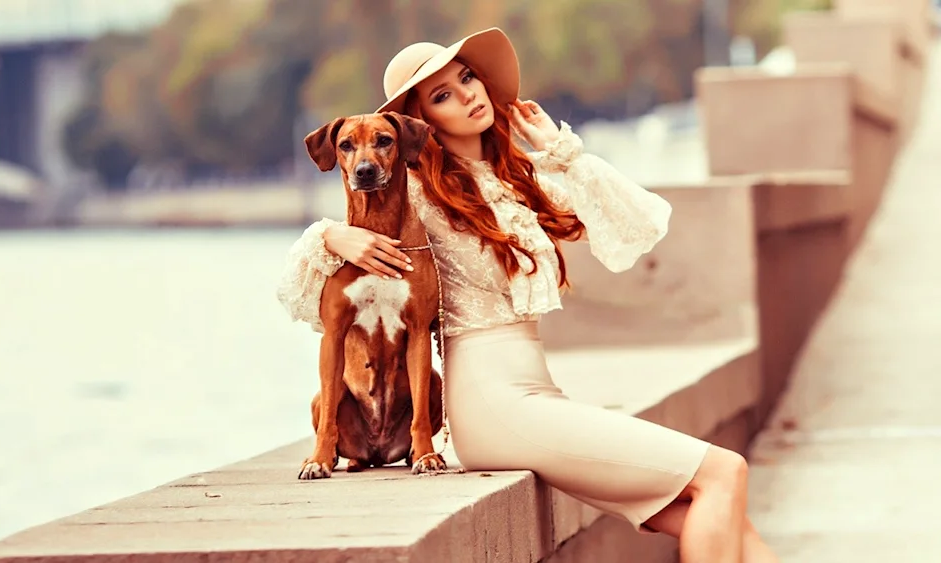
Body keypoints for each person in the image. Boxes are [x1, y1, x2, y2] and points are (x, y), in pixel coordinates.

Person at [277, 27, 779, 563]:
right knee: (725, 471)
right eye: (442, 95)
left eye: (467, 78)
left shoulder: (519, 181)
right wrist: (329, 234)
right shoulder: (418, 193)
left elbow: (636, 219)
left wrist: (561, 151)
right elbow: (304, 276)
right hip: (492, 402)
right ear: (419, 126)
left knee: (715, 506)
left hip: (537, 391)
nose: (467, 95)